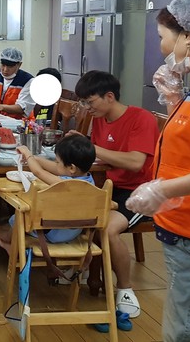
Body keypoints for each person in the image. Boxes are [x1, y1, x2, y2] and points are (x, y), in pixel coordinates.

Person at [126, 0, 190, 342]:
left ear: (188, 36)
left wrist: (162, 189)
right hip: (184, 230)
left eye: (163, 37)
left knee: (188, 331)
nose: (162, 47)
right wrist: (175, 99)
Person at [72, 70, 158, 317]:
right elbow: (100, 156)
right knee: (64, 205)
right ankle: (79, 268)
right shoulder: (101, 118)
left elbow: (135, 163)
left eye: (90, 102)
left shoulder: (141, 119)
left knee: (107, 229)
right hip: (107, 186)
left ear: (109, 96)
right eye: (83, 103)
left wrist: (91, 147)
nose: (87, 108)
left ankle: (125, 289)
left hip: (139, 192)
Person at [0, 134, 96, 251]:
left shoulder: (66, 184)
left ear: (72, 168)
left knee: (20, 215)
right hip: (73, 231)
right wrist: (35, 159)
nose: (56, 164)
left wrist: (28, 154)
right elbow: (57, 169)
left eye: (58, 162)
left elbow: (38, 172)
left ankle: (8, 239)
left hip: (54, 231)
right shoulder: (89, 181)